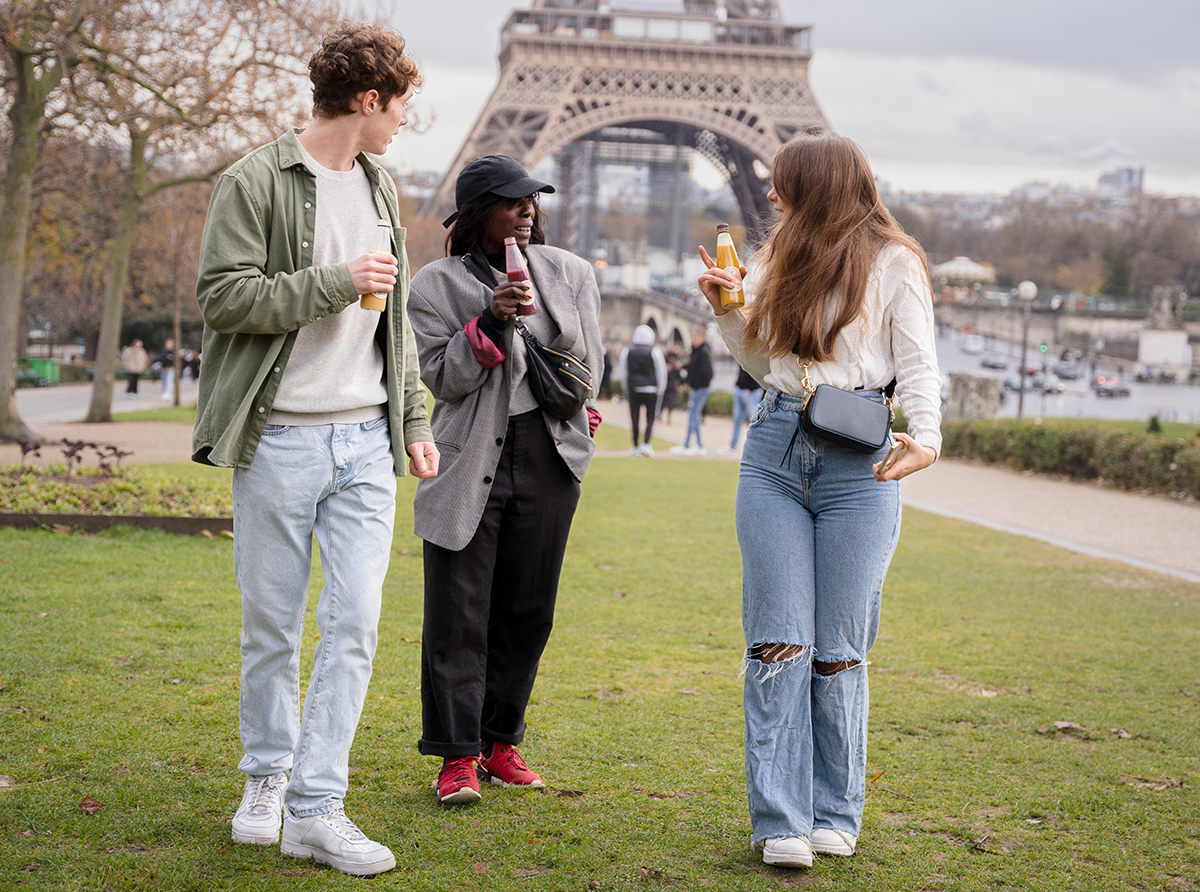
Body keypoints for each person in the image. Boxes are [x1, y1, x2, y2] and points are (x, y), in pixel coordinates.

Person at [190, 21, 437, 877]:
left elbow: (394, 324)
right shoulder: (254, 180)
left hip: (367, 439)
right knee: (272, 623)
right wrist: (336, 282)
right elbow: (222, 300)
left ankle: (317, 802)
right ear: (370, 100)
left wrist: (412, 419)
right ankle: (266, 778)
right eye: (401, 106)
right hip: (281, 438)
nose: (405, 121)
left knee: (358, 622)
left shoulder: (383, 187)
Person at [697, 132, 942, 869]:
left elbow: (919, 362)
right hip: (774, 452)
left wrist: (924, 436)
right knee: (779, 643)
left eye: (783, 184)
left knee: (838, 651)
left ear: (819, 186)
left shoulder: (897, 263)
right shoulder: (775, 259)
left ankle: (836, 810)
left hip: (857, 463)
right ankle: (782, 820)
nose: (770, 195)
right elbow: (763, 363)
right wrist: (726, 311)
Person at [407, 154, 602, 807]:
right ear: (476, 212)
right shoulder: (434, 285)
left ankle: (499, 743)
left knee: (528, 610)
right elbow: (443, 378)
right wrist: (489, 320)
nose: (526, 210)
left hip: (546, 454)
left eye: (531, 200)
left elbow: (589, 371)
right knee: (458, 612)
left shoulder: (571, 274)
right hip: (466, 456)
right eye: (510, 201)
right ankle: (456, 757)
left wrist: (578, 439)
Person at [617, 324, 666, 456]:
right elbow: (661, 372)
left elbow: (623, 372)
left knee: (634, 418)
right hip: (651, 389)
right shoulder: (655, 351)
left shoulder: (627, 351)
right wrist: (661, 389)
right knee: (650, 417)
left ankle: (635, 445)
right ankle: (646, 444)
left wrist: (626, 387)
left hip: (634, 389)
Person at [669, 328, 712, 455]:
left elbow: (706, 372)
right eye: (693, 337)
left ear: (703, 338)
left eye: (696, 337)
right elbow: (694, 367)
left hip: (700, 388)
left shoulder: (703, 353)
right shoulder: (697, 352)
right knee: (694, 415)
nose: (694, 340)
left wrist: (694, 383)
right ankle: (698, 444)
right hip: (697, 387)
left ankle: (688, 444)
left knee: (692, 415)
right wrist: (683, 366)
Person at [718, 362, 764, 456]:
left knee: (754, 422)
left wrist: (751, 388)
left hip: (751, 392)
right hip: (740, 389)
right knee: (737, 420)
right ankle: (732, 446)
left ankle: (757, 449)